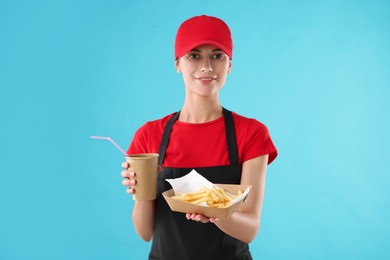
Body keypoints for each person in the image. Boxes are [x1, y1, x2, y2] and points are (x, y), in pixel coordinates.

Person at [121, 15, 277, 260]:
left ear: (229, 65)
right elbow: (145, 233)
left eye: (217, 55)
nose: (207, 66)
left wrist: (214, 213)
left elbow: (250, 229)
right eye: (194, 55)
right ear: (178, 64)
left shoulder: (251, 133)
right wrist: (142, 193)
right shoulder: (149, 135)